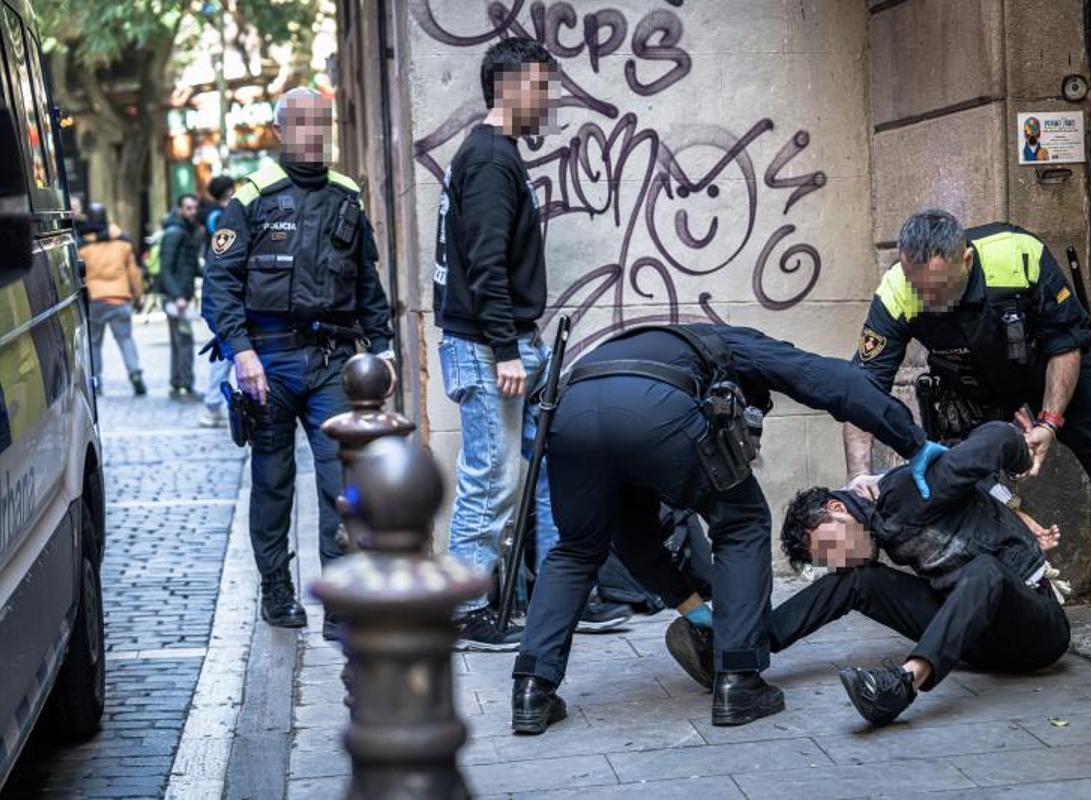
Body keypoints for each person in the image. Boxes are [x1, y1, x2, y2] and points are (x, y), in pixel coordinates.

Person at [510, 323, 947, 734]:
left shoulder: (665, 347)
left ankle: (532, 691)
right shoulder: (734, 345)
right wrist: (912, 441)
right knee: (742, 522)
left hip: (570, 414)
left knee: (575, 550)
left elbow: (633, 539)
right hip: (656, 408)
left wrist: (692, 607)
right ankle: (739, 680)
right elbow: (833, 380)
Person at [843, 209, 1091, 619]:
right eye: (918, 288)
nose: (928, 301)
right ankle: (977, 598)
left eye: (938, 290)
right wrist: (858, 475)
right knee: (958, 483)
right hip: (970, 381)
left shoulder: (1018, 255)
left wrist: (1049, 421)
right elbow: (861, 392)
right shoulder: (896, 289)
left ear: (967, 261)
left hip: (1050, 363)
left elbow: (1066, 343)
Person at [667, 422, 1070, 727]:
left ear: (837, 510)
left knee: (984, 570)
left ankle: (904, 684)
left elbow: (998, 437)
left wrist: (1023, 461)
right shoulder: (874, 515)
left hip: (1035, 629)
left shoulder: (911, 491)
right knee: (860, 579)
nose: (834, 561)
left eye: (828, 549)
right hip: (971, 637)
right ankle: (737, 650)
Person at [434, 37, 630, 651]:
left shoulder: (496, 154)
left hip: (509, 341)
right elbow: (485, 264)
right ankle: (464, 610)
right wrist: (505, 351)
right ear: (510, 86)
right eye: (540, 86)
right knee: (490, 480)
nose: (547, 98)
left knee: (551, 466)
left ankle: (557, 594)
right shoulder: (490, 160)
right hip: (491, 346)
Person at [202, 87, 394, 641]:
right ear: (281, 132)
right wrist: (241, 352)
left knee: (342, 483)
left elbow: (367, 284)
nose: (314, 133)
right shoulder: (253, 198)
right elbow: (219, 285)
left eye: (322, 123)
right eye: (302, 123)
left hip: (332, 361)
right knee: (273, 481)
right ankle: (277, 589)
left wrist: (381, 349)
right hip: (269, 362)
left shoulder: (346, 196)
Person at [79, 202, 146, 396]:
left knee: (94, 343)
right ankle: (135, 374)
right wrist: (139, 296)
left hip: (95, 300)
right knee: (125, 339)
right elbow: (133, 272)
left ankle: (97, 380)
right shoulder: (123, 242)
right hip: (120, 298)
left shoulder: (82, 245)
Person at [198, 176, 237, 428]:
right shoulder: (218, 217)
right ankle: (213, 404)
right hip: (227, 291)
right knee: (226, 351)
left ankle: (214, 404)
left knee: (227, 351)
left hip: (224, 290)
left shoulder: (217, 215)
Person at [159, 193, 202, 400]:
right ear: (179, 209)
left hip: (179, 296)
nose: (192, 212)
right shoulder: (176, 232)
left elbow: (189, 266)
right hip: (177, 299)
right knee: (184, 342)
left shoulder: (185, 231)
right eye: (188, 208)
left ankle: (177, 384)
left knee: (179, 342)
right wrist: (178, 296)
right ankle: (185, 385)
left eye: (194, 208)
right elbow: (165, 269)